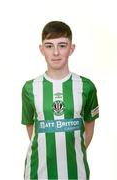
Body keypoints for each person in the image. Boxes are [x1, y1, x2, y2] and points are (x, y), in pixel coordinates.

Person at [21, 21, 99, 180]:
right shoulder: (30, 88)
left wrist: (71, 151)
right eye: (49, 46)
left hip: (76, 172)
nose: (55, 52)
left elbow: (89, 128)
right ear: (41, 49)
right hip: (38, 172)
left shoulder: (86, 86)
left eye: (62, 45)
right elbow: (31, 126)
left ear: (71, 49)